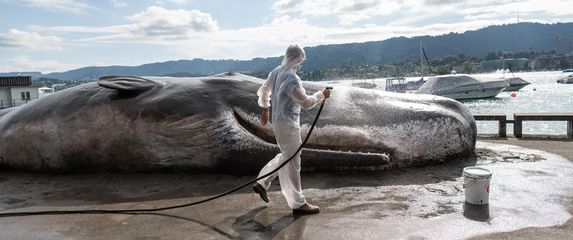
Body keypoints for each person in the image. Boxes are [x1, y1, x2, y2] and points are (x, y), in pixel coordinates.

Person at [252, 44, 330, 215]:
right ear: (296, 60)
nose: (300, 65)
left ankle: (262, 182)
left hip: (277, 123)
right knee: (293, 162)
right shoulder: (291, 79)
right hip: (288, 125)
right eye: (300, 61)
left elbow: (264, 90)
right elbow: (307, 103)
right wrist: (321, 94)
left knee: (286, 156)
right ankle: (298, 203)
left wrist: (265, 108)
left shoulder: (276, 71)